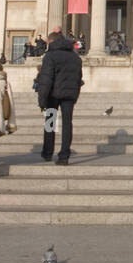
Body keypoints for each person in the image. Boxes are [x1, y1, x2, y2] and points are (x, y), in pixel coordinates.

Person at [37, 27, 82, 165]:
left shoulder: (50, 56)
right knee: (67, 124)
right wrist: (75, 95)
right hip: (69, 95)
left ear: (52, 42)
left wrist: (42, 99)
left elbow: (46, 79)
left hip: (52, 94)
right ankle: (64, 155)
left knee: (51, 123)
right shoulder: (75, 57)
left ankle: (48, 152)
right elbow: (78, 78)